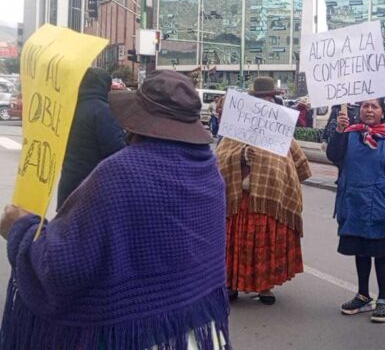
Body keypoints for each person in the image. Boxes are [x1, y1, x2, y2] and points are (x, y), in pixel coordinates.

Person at [0, 70, 230, 349]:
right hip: (199, 330)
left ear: (136, 121)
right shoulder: (209, 171)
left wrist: (21, 229)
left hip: (138, 338)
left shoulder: (121, 174)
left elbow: (61, 268)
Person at [218, 77, 311, 306]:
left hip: (269, 200)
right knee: (236, 244)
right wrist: (239, 157)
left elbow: (297, 164)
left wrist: (281, 176)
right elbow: (219, 160)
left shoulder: (281, 130)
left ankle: (265, 286)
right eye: (259, 99)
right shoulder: (235, 131)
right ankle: (231, 284)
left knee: (265, 244)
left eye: (268, 99)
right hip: (241, 199)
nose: (264, 103)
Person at [327, 98, 385, 324]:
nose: (369, 110)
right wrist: (339, 131)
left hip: (381, 203)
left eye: (375, 106)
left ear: (383, 111)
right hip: (354, 201)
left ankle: (383, 298)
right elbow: (333, 156)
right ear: (359, 111)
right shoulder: (350, 132)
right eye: (365, 106)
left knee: (381, 252)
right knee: (361, 250)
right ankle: (363, 295)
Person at [56, 67, 126, 210]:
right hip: (91, 185)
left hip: (69, 182)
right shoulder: (102, 111)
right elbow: (116, 149)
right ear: (104, 86)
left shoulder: (68, 108)